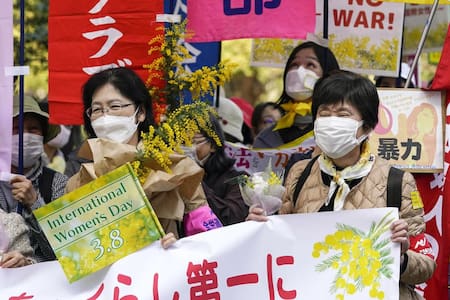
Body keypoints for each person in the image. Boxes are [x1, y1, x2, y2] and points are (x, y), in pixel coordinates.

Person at [247, 71, 436, 299]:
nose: (331, 121)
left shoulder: (396, 181)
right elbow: (283, 246)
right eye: (324, 114)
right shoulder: (300, 174)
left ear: (366, 126)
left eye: (343, 114)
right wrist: (259, 228)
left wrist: (401, 255)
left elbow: (425, 265)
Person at [66, 67, 222, 244]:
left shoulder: (176, 168)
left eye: (114, 106)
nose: (105, 117)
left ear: (140, 113)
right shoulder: (79, 182)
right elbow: (75, 251)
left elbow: (209, 239)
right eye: (96, 110)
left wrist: (180, 247)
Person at [0, 95, 68, 262]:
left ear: (43, 136)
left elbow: (63, 249)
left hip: (41, 282)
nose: (25, 136)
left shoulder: (58, 183)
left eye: (33, 129)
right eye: (16, 129)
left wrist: (35, 203)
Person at [253, 41, 340, 149]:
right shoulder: (267, 138)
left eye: (310, 65)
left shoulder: (339, 132)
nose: (299, 71)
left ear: (328, 74)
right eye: (294, 64)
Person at [183, 113, 249, 226]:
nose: (187, 148)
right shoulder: (176, 176)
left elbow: (232, 217)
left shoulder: (237, 178)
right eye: (183, 143)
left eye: (194, 142)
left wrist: (196, 181)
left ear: (213, 145)